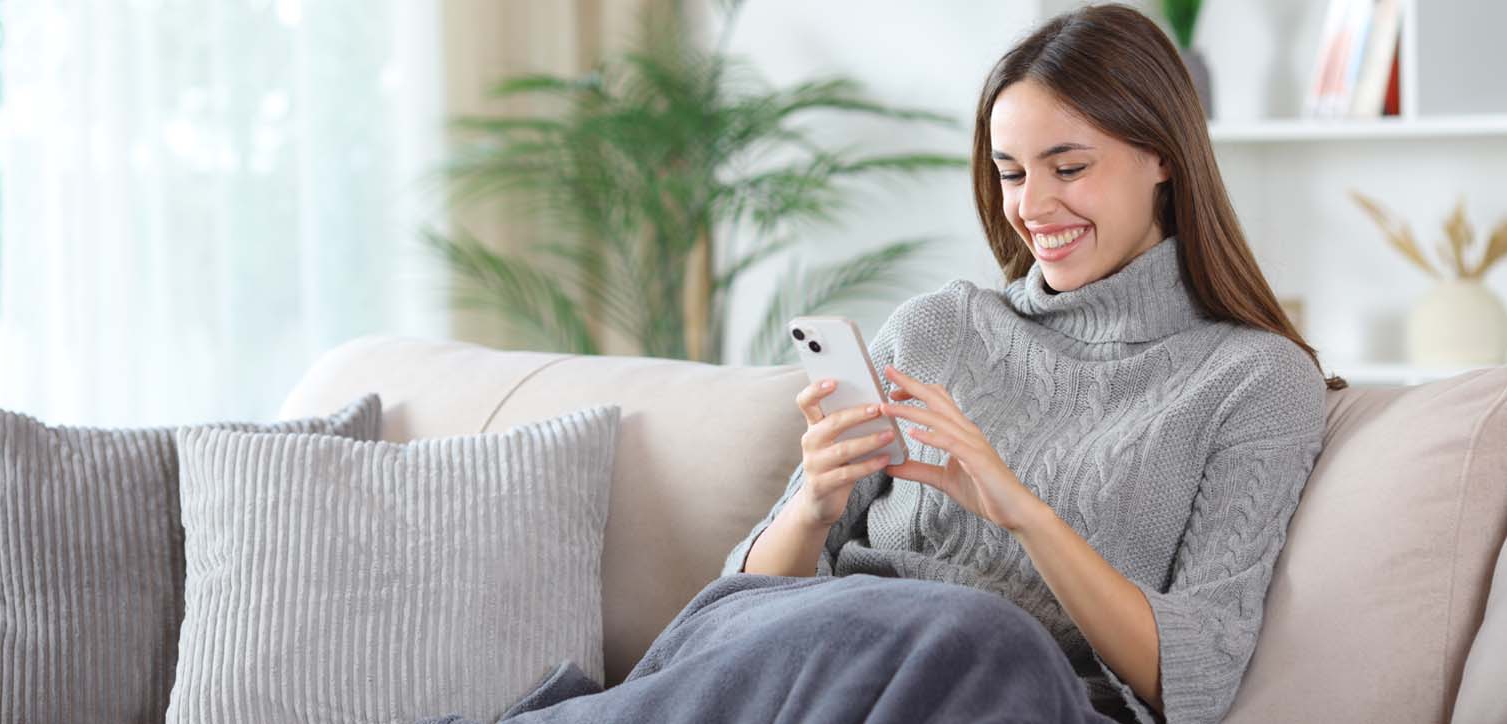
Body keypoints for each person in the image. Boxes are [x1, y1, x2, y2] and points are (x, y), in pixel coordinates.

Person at [428, 4, 1343, 723]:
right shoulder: (940, 328)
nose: (1033, 204)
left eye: (1069, 166)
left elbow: (1196, 673)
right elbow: (742, 608)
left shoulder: (1256, 382)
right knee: (893, 625)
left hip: (1014, 692)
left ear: (1162, 159)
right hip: (829, 664)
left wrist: (1016, 508)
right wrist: (816, 501)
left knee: (983, 633)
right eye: (1012, 171)